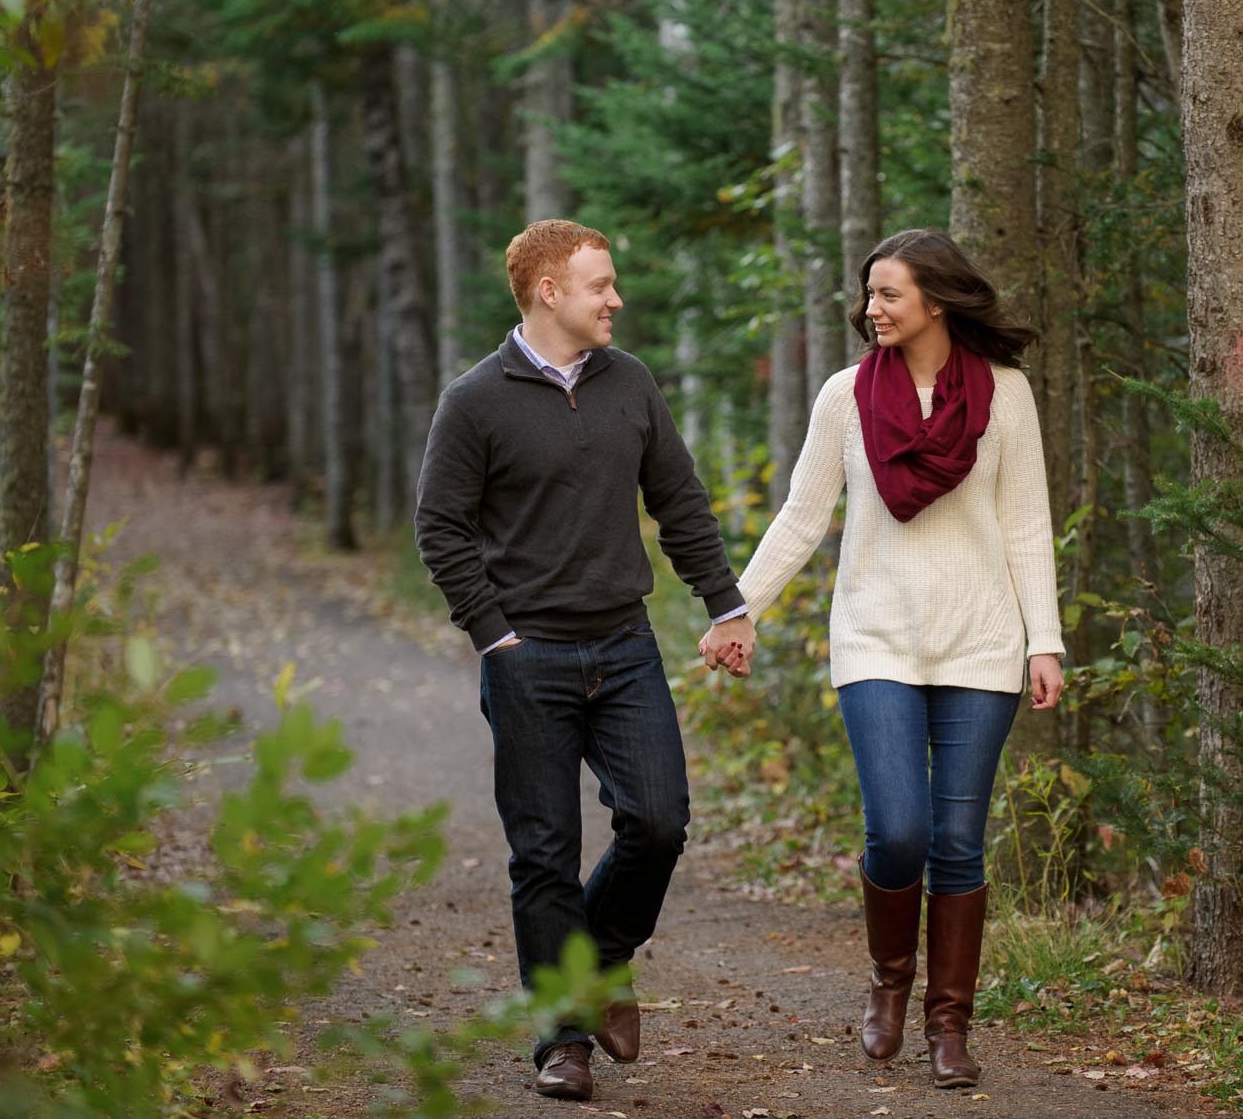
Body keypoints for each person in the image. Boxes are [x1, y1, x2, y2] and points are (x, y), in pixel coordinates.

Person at [415, 219, 754, 1104]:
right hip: (527, 655)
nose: (616, 299)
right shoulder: (474, 400)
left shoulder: (629, 381)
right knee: (544, 853)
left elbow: (679, 500)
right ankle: (562, 1040)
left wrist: (726, 603)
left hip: (625, 645)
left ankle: (598, 959)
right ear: (548, 292)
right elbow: (440, 527)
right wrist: (494, 634)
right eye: (600, 285)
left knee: (659, 819)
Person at [723, 228, 1065, 1089]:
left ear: (935, 302)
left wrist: (1044, 639)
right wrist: (739, 608)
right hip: (875, 638)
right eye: (869, 293)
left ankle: (949, 1025)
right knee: (900, 830)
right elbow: (803, 515)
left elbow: (1027, 522)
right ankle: (889, 979)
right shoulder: (845, 396)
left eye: (888, 294)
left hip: (981, 641)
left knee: (959, 841)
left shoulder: (1006, 394)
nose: (870, 308)